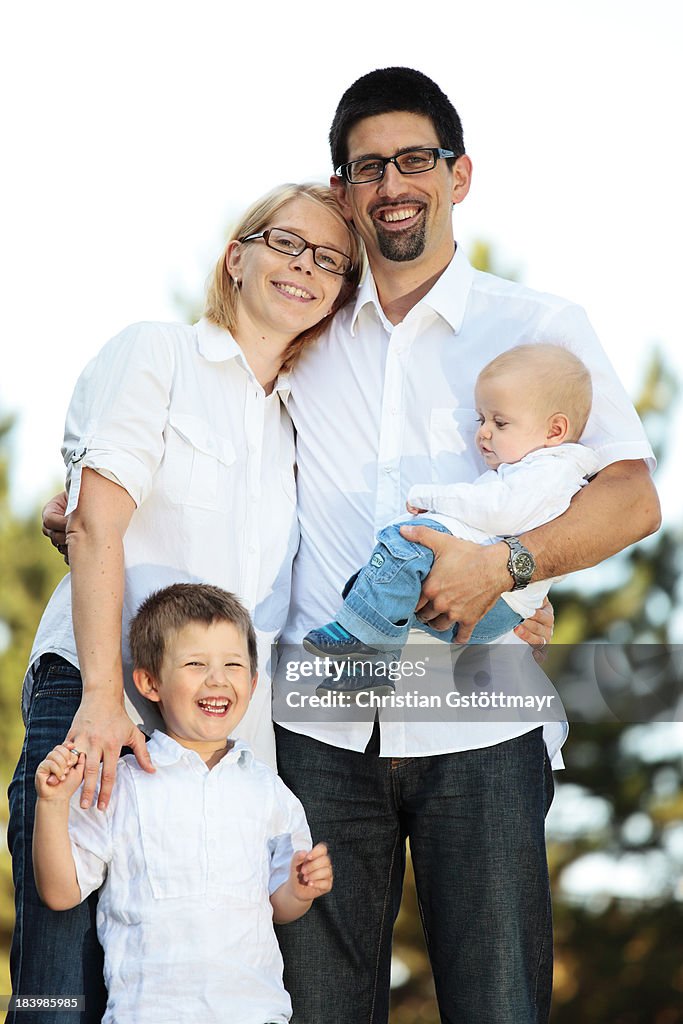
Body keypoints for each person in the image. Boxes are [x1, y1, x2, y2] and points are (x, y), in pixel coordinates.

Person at [271, 68, 660, 1024]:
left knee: (497, 1006)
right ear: (341, 191)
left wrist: (508, 565)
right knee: (312, 1009)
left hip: (481, 712)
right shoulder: (298, 326)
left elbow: (632, 497)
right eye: (368, 167)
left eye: (415, 159)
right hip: (318, 718)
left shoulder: (537, 326)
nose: (392, 183)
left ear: (459, 175)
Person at [8, 183, 361, 1023]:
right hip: (104, 690)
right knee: (60, 991)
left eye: (330, 261)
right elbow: (96, 520)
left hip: (219, 733)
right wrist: (102, 698)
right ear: (235, 256)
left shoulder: (299, 427)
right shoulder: (156, 352)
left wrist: (514, 603)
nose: (304, 267)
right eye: (285, 243)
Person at [32, 583, 333, 1024]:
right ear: (149, 682)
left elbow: (281, 906)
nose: (217, 679)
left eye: (233, 664)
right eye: (196, 664)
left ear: (252, 680)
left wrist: (300, 888)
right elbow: (60, 893)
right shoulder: (126, 784)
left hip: (256, 1014)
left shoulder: (269, 789)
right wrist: (53, 805)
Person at [304, 343, 599, 693]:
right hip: (498, 604)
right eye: (481, 419)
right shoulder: (542, 470)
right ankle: (367, 654)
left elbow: (498, 509)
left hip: (491, 602)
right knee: (380, 578)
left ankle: (367, 646)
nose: (484, 432)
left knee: (406, 541)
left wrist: (430, 497)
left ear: (554, 431)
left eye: (500, 422)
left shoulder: (550, 470)